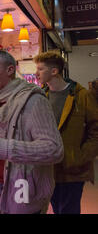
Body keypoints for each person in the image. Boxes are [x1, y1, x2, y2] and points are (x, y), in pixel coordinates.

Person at [0, 49, 63, 214]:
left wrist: (4, 148)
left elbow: (54, 149)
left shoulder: (34, 101)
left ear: (10, 70)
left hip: (21, 189)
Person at [34, 51, 98, 214]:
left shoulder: (81, 95)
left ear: (54, 71)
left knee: (68, 209)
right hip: (49, 168)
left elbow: (95, 129)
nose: (36, 73)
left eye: (40, 69)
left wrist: (81, 157)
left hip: (73, 169)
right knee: (57, 208)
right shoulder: (41, 96)